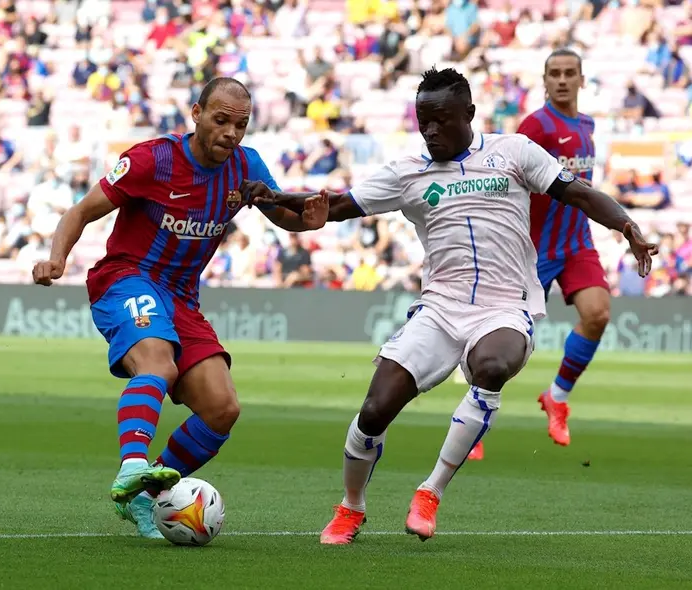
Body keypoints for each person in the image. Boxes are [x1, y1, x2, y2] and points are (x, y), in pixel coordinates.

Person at [245, 67, 656, 543]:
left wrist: (627, 228)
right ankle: (351, 507)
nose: (431, 131)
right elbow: (332, 206)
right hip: (439, 309)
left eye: (441, 120)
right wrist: (274, 200)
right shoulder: (407, 173)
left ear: (469, 114)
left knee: (493, 365)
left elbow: (579, 193)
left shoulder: (513, 152)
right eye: (424, 121)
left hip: (505, 307)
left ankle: (430, 491)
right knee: (375, 410)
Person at [32, 76, 328, 539]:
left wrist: (306, 222)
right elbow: (82, 211)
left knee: (222, 408)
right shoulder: (152, 159)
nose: (231, 133)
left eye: (241, 124)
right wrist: (57, 257)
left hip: (182, 297)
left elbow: (284, 214)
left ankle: (144, 499)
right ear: (196, 113)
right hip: (127, 278)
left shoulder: (246, 169)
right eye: (221, 120)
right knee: (157, 360)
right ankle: (133, 463)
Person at [468, 49, 607, 461]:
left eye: (569, 73)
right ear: (544, 81)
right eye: (554, 74)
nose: (562, 80)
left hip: (577, 241)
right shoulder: (536, 126)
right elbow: (509, 173)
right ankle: (472, 422)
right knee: (505, 341)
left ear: (582, 79)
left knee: (597, 313)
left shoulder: (587, 124)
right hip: (534, 247)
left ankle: (557, 397)